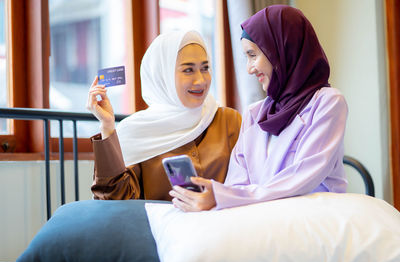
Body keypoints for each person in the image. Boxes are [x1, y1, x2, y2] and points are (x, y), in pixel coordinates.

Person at [170, 5, 348, 211]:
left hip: (312, 219)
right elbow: (236, 184)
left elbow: (302, 177)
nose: (249, 69)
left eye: (253, 55)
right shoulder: (255, 113)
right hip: (263, 219)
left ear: (282, 50)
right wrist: (218, 197)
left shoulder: (328, 102)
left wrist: (222, 196)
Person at [86, 30, 242, 200]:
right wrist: (107, 126)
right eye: (188, 70)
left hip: (224, 223)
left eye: (205, 68)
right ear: (162, 75)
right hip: (159, 226)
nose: (201, 80)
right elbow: (115, 199)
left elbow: (251, 184)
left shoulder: (229, 120)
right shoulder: (135, 131)